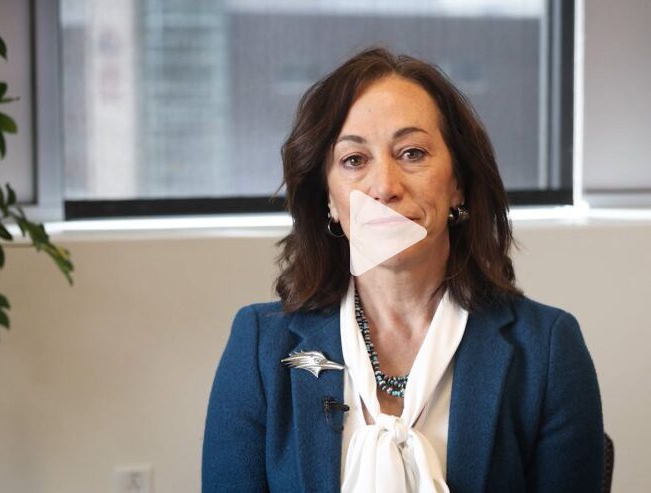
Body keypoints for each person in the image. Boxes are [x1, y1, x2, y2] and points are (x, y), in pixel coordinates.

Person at [203, 47, 604, 492]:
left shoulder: (547, 350)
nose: (385, 188)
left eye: (412, 153)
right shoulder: (260, 345)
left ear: (459, 184)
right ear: (329, 201)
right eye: (354, 160)